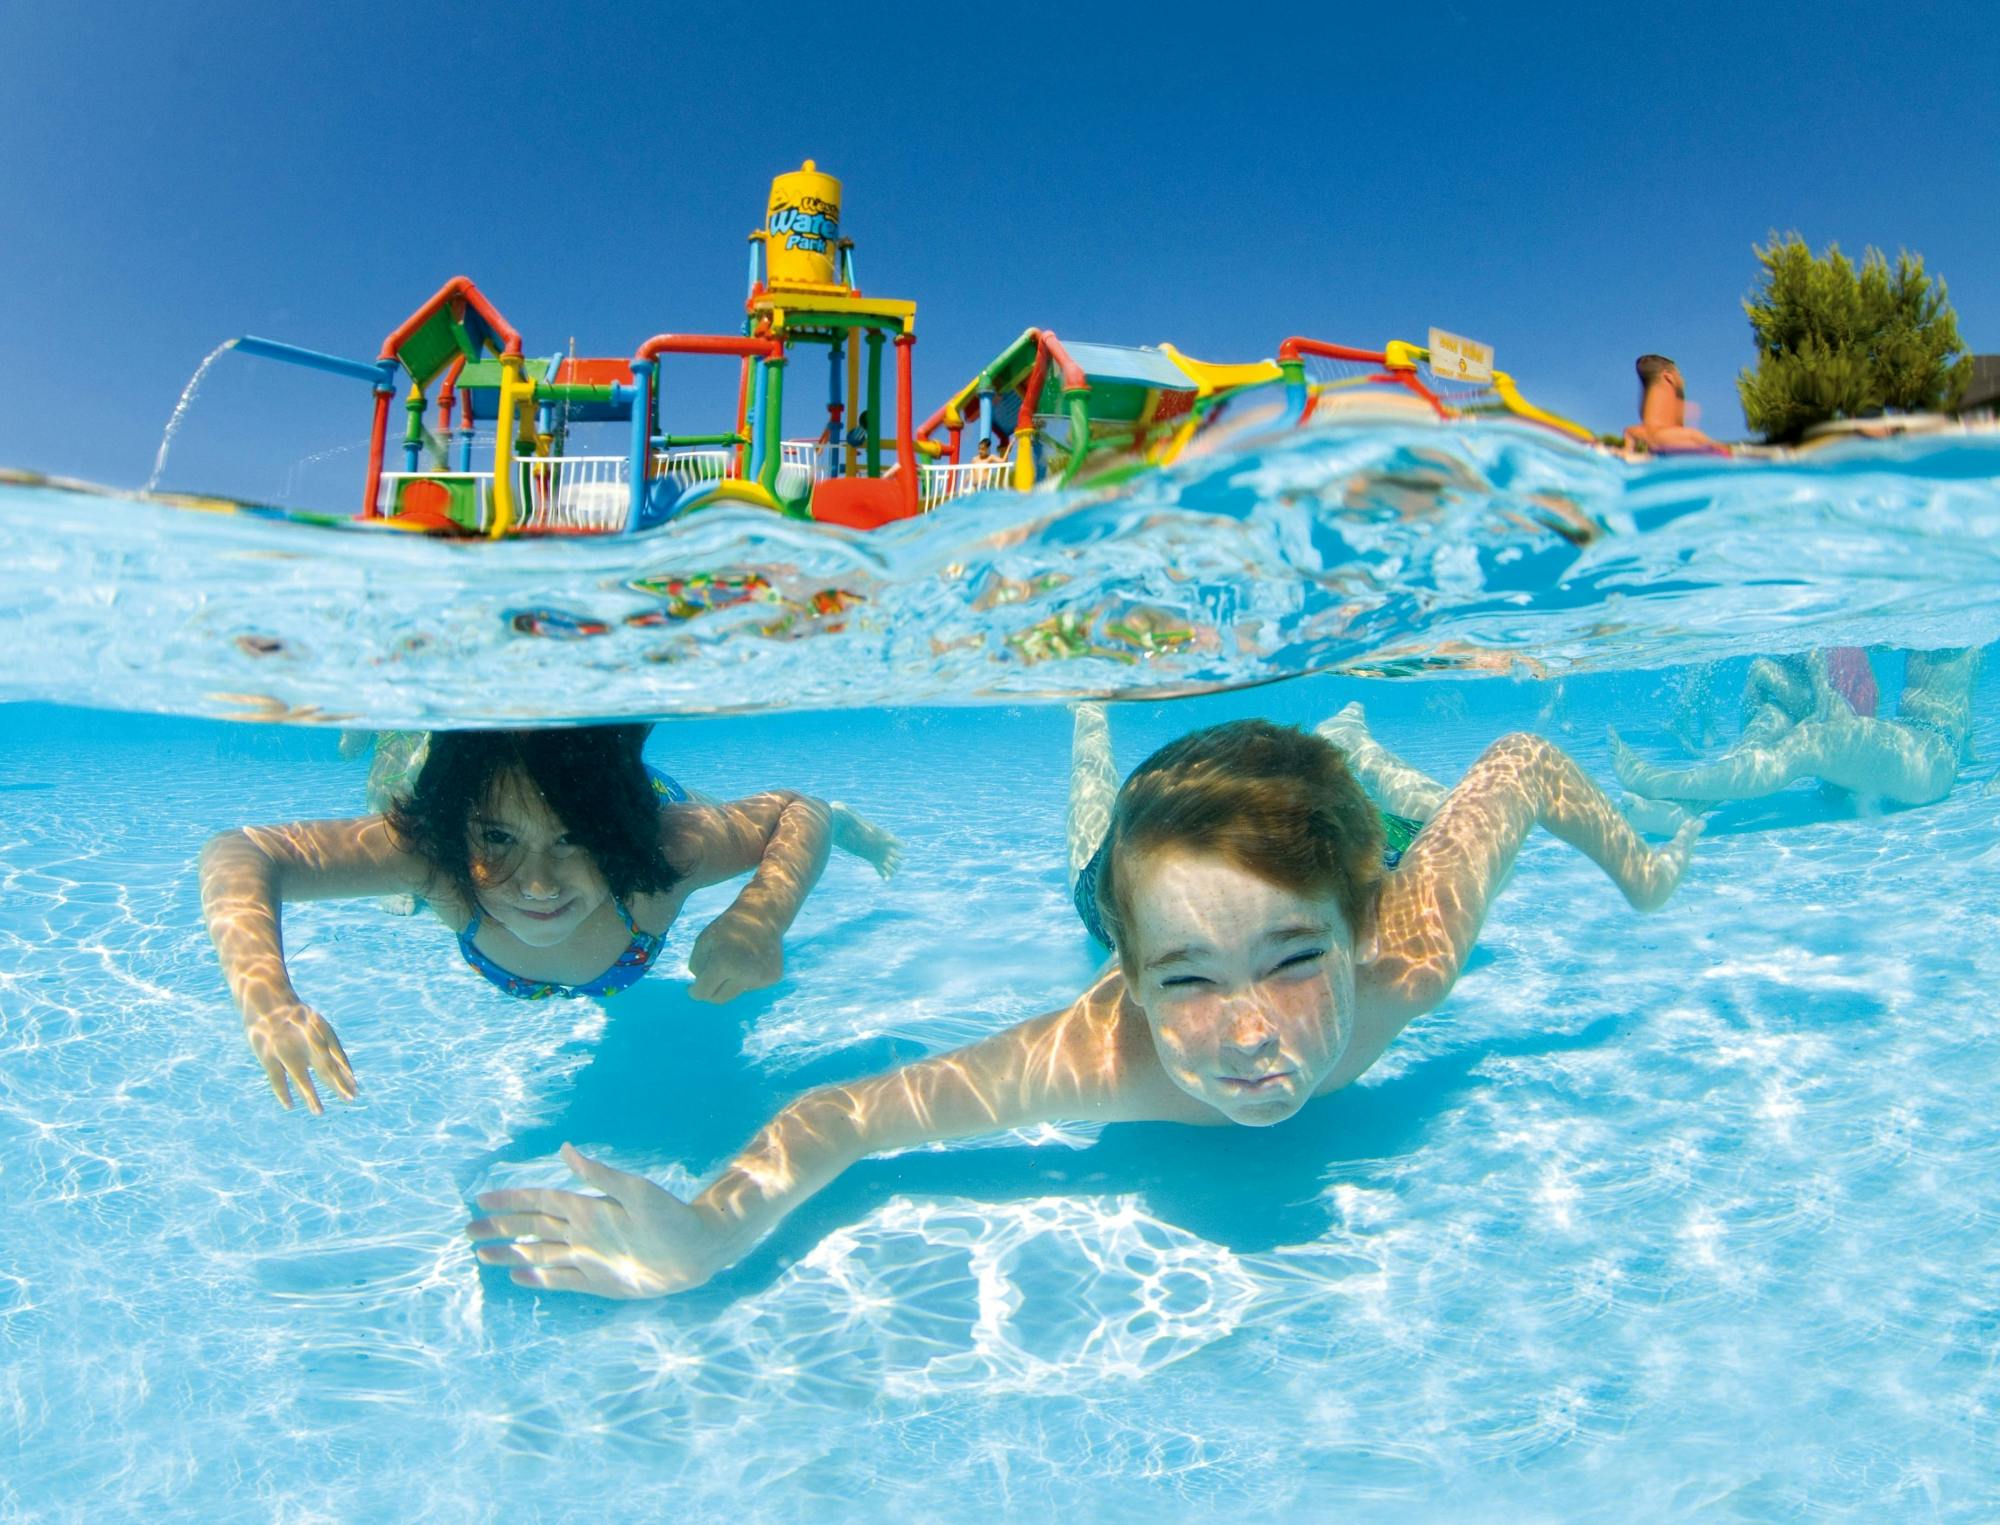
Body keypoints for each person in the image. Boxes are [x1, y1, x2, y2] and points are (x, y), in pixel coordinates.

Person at [469, 713, 1698, 1299]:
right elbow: (844, 1116)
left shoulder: (1407, 957)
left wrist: (1640, 877)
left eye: (1290, 961)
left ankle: (1342, 768)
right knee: (1088, 850)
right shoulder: (1101, 1052)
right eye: (1186, 983)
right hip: (1116, 885)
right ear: (1133, 973)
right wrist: (709, 1232)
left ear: (1355, 928)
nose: (1253, 1032)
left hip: (1292, 873)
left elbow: (1522, 763)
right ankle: (1090, 726)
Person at [202, 725, 903, 1115]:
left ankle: (852, 823)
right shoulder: (437, 860)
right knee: (401, 795)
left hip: (638, 802)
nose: (537, 885)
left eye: (572, 840)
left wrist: (761, 913)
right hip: (478, 803)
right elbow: (242, 849)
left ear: (615, 837)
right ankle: (393, 728)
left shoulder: (664, 847)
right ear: (460, 837)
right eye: (498, 840)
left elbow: (794, 808)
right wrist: (267, 999)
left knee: (745, 816)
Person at [1611, 646, 1981, 810]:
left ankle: (1661, 782)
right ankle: (1678, 811)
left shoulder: (1971, 617)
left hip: (1932, 756)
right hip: (1915, 745)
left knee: (1808, 742)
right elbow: (1960, 701)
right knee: (1803, 739)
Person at [1621, 354, 1728, 456]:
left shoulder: (1632, 432)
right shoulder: (1689, 433)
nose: (1682, 380)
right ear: (1669, 377)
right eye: (1679, 374)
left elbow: (1628, 445)